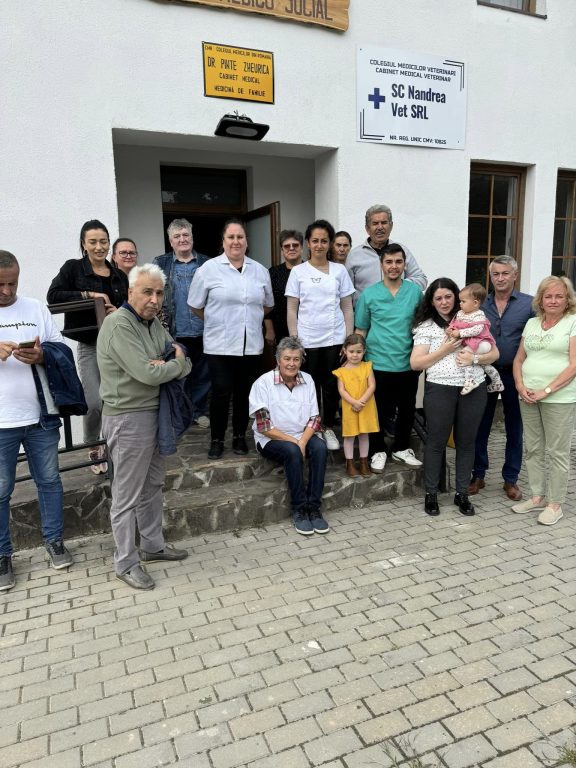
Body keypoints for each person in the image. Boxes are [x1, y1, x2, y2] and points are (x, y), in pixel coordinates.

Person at [97, 264, 191, 590]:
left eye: (159, 293)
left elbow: (184, 359)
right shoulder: (118, 325)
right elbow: (149, 374)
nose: (154, 299)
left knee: (152, 485)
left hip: (154, 414)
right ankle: (125, 562)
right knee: (126, 495)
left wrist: (172, 362)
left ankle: (152, 546)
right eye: (147, 292)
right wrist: (172, 363)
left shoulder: (152, 324)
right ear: (130, 292)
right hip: (127, 418)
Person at [0, 251, 74, 592]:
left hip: (40, 415)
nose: (7, 291)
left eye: (12, 283)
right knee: (1, 491)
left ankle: (54, 541)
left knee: (49, 480)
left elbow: (62, 349)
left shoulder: (34, 308)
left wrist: (42, 354)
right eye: (1, 285)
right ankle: (3, 556)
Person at [411, 278, 500, 517]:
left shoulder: (473, 319)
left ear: (457, 297)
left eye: (448, 296)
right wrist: (445, 349)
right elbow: (416, 363)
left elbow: (494, 353)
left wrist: (475, 359)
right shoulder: (427, 326)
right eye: (438, 298)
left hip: (474, 388)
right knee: (436, 442)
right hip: (440, 389)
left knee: (466, 442)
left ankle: (462, 494)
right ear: (431, 301)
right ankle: (431, 493)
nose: (444, 302)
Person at [188, 218, 274, 459]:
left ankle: (238, 437)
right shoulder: (208, 269)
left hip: (250, 345)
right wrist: (217, 320)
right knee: (221, 392)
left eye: (240, 237)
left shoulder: (259, 270)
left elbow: (267, 305)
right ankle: (216, 439)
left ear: (246, 241)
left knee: (243, 393)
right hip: (220, 344)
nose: (236, 242)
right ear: (223, 241)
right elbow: (195, 305)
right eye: (231, 237)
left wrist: (248, 319)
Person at [47, 220, 128, 473]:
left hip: (116, 344)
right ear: (83, 244)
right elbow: (53, 296)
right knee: (93, 402)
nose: (99, 246)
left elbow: (128, 306)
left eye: (103, 241)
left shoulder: (118, 275)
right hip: (90, 345)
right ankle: (93, 444)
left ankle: (111, 448)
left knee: (116, 400)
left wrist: (118, 311)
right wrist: (90, 296)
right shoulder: (73, 269)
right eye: (93, 241)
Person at [511, 276, 576, 526]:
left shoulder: (572, 322)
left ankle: (555, 504)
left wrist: (547, 390)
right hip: (528, 395)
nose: (553, 300)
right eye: (548, 296)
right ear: (540, 299)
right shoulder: (532, 323)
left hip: (559, 398)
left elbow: (574, 365)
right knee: (533, 448)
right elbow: (519, 359)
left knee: (557, 452)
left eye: (559, 296)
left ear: (567, 299)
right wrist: (520, 386)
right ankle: (537, 496)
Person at [286, 219, 355, 451]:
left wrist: (348, 340)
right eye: (315, 240)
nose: (319, 245)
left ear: (330, 243)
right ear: (308, 243)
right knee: (309, 387)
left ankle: (328, 427)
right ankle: (312, 428)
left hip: (335, 339)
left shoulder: (339, 271)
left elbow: (347, 308)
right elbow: (292, 309)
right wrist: (295, 341)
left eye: (324, 241)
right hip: (307, 341)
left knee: (331, 386)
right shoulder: (298, 272)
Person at [469, 256, 534, 501]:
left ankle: (510, 479)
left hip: (513, 374)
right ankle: (478, 475)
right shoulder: (479, 303)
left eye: (505, 273)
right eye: (495, 274)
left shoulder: (529, 305)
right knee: (480, 425)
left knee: (514, 428)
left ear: (515, 275)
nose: (500, 278)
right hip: (483, 373)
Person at [249, 336, 329, 535]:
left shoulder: (308, 380)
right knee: (292, 451)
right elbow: (264, 427)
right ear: (278, 360)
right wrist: (297, 443)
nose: (291, 363)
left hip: (302, 435)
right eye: (287, 358)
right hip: (270, 438)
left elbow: (315, 419)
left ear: (301, 361)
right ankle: (299, 509)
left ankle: (314, 508)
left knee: (320, 448)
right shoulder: (263, 383)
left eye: (296, 359)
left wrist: (303, 440)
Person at [354, 244, 423, 473]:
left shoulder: (414, 293)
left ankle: (402, 448)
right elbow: (361, 330)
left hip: (407, 362)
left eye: (398, 262)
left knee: (407, 409)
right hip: (378, 362)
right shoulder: (369, 294)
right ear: (381, 264)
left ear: (404, 264)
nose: (394, 266)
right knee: (378, 411)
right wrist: (356, 362)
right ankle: (377, 451)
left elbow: (423, 327)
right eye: (389, 262)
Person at [154, 219, 211, 428]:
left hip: (204, 329)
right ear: (171, 241)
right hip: (175, 331)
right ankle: (180, 414)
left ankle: (198, 411)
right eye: (177, 236)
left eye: (186, 235)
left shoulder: (207, 263)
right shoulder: (161, 264)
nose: (182, 239)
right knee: (178, 374)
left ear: (192, 238)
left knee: (202, 375)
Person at [346, 204, 427, 299]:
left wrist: (400, 285)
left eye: (384, 222)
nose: (380, 227)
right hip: (367, 308)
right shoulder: (354, 256)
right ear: (367, 228)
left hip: (398, 307)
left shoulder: (402, 251)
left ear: (391, 226)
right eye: (375, 223)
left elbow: (421, 280)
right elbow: (346, 291)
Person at [332, 333, 379, 477]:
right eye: (351, 351)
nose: (355, 355)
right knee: (350, 435)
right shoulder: (341, 371)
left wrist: (361, 402)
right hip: (350, 407)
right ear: (345, 351)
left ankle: (364, 462)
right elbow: (341, 390)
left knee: (364, 434)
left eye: (359, 352)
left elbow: (372, 386)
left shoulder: (367, 366)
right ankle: (350, 463)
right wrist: (354, 402)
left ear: (364, 351)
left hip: (366, 406)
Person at [447, 283, 504, 395]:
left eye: (463, 301)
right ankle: (497, 382)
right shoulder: (461, 313)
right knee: (483, 364)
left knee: (464, 356)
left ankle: (470, 381)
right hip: (473, 343)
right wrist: (451, 329)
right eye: (460, 301)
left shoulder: (479, 315)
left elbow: (477, 330)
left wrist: (460, 333)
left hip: (482, 343)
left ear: (475, 303)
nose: (460, 304)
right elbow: (456, 324)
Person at [265, 229, 304, 345]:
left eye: (295, 245)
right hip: (280, 331)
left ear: (302, 248)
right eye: (287, 246)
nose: (291, 248)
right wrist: (269, 330)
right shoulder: (273, 273)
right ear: (282, 250)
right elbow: (267, 303)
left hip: (308, 330)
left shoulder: (311, 271)